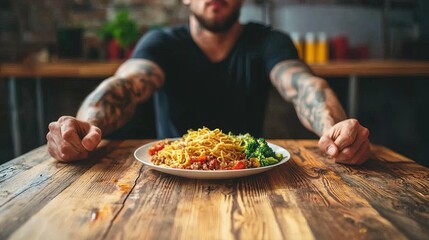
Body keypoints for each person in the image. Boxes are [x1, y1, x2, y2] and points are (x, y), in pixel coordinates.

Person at [46, 0, 371, 165]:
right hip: (170, 175)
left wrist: (335, 128)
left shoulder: (269, 42)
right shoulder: (161, 42)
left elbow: (304, 86)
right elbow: (125, 85)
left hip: (249, 175)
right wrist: (85, 126)